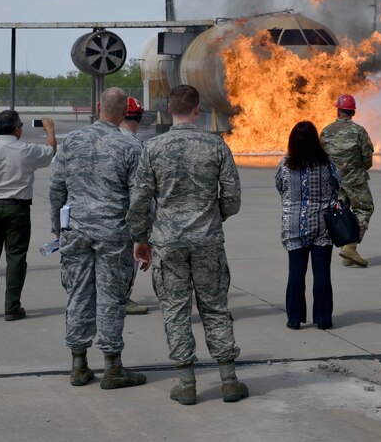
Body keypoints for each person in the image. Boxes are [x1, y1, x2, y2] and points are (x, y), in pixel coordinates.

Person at [128, 85, 247, 405]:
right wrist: (213, 216)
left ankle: (186, 382)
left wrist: (141, 239)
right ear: (197, 109)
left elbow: (139, 200)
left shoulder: (151, 148)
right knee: (216, 308)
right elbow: (233, 198)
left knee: (175, 311)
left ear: (168, 110)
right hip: (207, 240)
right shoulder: (216, 146)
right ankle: (229, 379)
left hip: (168, 243)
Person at [50, 88, 146, 389]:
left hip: (76, 230)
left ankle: (79, 365)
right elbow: (140, 197)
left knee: (78, 294)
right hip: (114, 233)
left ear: (97, 107)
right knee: (111, 298)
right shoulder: (130, 146)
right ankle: (113, 366)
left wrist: (58, 228)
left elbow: (56, 188)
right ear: (122, 113)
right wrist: (143, 237)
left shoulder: (72, 142)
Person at [0, 111, 56, 321]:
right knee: (16, 258)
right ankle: (12, 307)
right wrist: (50, 131)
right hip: (18, 209)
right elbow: (50, 151)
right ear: (17, 129)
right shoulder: (27, 150)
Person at [275, 121, 338, 331]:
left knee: (296, 272)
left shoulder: (285, 164)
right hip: (322, 224)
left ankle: (294, 318)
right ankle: (323, 319)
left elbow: (280, 187)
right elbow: (337, 187)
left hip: (294, 225)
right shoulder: (327, 164)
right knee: (321, 273)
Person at [321, 94, 375, 268]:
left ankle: (346, 249)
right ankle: (350, 246)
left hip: (334, 181)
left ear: (338, 111)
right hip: (355, 180)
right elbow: (367, 159)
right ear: (353, 112)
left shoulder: (326, 131)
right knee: (364, 208)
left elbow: (321, 157)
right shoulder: (359, 131)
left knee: (342, 212)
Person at [119, 96, 148, 316]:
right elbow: (142, 191)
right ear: (136, 118)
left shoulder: (92, 139)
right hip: (126, 218)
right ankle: (122, 299)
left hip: (90, 218)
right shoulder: (137, 147)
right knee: (127, 261)